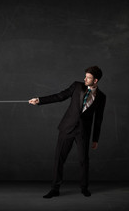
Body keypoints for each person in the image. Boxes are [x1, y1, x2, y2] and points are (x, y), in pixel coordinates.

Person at [29, 66, 106, 198]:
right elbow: (59, 96)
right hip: (67, 128)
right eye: (85, 76)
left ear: (96, 80)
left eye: (88, 77)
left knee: (83, 160)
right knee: (59, 159)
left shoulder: (101, 97)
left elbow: (99, 119)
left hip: (83, 132)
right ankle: (55, 189)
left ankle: (84, 188)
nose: (85, 79)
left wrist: (95, 139)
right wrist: (40, 100)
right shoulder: (77, 86)